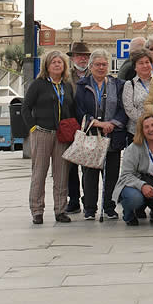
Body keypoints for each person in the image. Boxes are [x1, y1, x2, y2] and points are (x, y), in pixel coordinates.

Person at [22, 49, 75, 225]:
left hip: (62, 135)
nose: (57, 64)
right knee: (39, 173)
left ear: (64, 65)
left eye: (60, 62)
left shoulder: (67, 85)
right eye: (54, 62)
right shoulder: (38, 84)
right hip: (42, 133)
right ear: (47, 65)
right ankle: (37, 210)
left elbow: (71, 108)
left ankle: (60, 210)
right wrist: (33, 128)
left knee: (61, 174)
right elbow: (25, 108)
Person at [74, 49, 128, 221]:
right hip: (91, 135)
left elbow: (123, 108)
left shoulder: (117, 84)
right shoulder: (82, 85)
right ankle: (89, 208)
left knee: (111, 174)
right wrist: (96, 123)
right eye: (97, 64)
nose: (101, 67)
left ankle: (109, 207)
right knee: (89, 174)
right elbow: (78, 110)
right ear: (91, 66)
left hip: (112, 135)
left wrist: (112, 124)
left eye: (104, 64)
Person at [112, 110, 153, 225]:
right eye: (146, 127)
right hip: (134, 184)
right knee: (135, 199)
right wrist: (142, 186)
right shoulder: (134, 148)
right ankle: (128, 214)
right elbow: (126, 175)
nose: (151, 129)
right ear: (141, 130)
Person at [65, 42, 92, 213]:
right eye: (79, 55)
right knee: (70, 167)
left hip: (90, 126)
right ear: (72, 58)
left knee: (89, 167)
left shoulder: (94, 73)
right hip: (71, 125)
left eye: (86, 56)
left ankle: (88, 199)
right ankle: (73, 199)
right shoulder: (66, 77)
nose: (83, 58)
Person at [120, 49, 153, 135]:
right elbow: (129, 109)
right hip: (136, 131)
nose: (145, 65)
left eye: (147, 62)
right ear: (135, 67)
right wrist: (146, 123)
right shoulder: (129, 85)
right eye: (141, 63)